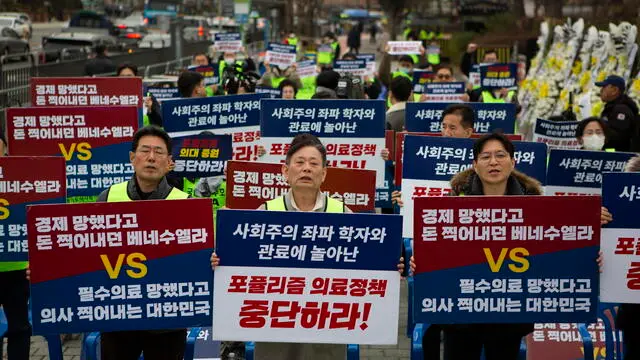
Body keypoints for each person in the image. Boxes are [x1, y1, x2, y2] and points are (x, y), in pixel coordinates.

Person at [210, 133, 413, 360]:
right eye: (299, 162)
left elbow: (369, 265)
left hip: (327, 335)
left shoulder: (344, 214)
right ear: (285, 171)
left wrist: (390, 266)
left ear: (324, 173)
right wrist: (221, 261)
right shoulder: (265, 212)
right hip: (274, 332)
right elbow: (237, 269)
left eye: (314, 163)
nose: (306, 169)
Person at [96, 126, 189, 360]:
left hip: (168, 320)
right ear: (131, 158)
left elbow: (197, 259)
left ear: (169, 162)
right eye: (145, 150)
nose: (151, 157)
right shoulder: (107, 197)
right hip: (118, 316)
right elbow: (87, 253)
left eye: (159, 152)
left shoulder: (187, 204)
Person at [595, 75, 640, 152]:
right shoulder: (612, 107)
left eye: (604, 87)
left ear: (615, 90)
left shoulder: (621, 110)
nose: (601, 90)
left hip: (617, 159)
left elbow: (617, 140)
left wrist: (605, 152)